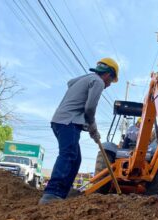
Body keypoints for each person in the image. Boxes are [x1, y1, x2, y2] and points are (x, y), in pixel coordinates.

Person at [39, 58, 119, 204]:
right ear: (108, 74)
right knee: (68, 154)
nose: (108, 85)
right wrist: (93, 128)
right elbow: (89, 109)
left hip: (60, 121)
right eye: (111, 81)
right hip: (67, 122)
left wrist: (90, 128)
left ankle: (62, 194)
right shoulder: (98, 82)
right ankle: (52, 193)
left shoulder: (85, 79)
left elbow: (74, 90)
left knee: (76, 159)